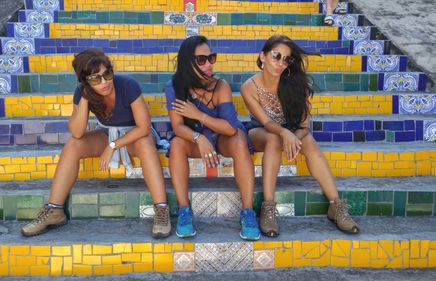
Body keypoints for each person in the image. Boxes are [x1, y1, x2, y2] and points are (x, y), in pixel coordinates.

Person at [21, 48, 171, 238]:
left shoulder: (128, 86)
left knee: (145, 143)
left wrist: (112, 146)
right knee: (73, 145)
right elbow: (76, 132)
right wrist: (85, 95)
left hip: (135, 136)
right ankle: (54, 211)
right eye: (95, 79)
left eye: (106, 74)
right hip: (108, 134)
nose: (104, 82)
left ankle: (161, 210)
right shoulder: (83, 93)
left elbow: (144, 127)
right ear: (85, 81)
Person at [240, 35, 359, 237]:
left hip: (292, 130)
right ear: (262, 56)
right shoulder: (248, 87)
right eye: (276, 56)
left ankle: (336, 205)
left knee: (310, 143)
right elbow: (267, 123)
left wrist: (294, 137)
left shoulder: (296, 84)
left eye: (286, 59)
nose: (280, 63)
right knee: (275, 138)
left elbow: (304, 125)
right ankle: (268, 208)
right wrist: (285, 133)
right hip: (260, 131)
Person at [165, 35, 260, 241]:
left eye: (211, 58)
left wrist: (199, 115)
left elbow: (230, 128)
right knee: (177, 144)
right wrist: (199, 138)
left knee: (239, 140)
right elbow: (178, 127)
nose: (208, 64)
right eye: (201, 60)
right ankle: (184, 210)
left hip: (222, 139)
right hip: (193, 141)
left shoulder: (220, 86)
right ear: (187, 62)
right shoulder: (174, 87)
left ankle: (248, 211)